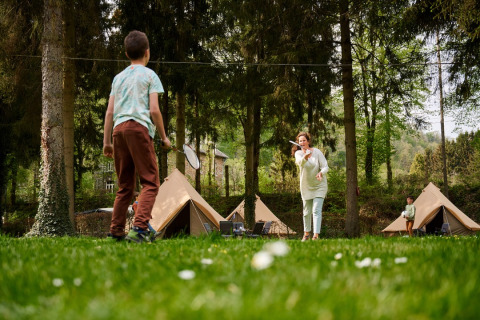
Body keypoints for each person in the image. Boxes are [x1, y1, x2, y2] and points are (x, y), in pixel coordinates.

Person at [103, 30, 171, 243]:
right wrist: (164, 137)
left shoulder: (118, 78)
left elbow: (110, 112)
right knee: (150, 182)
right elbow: (154, 110)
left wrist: (107, 142)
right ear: (147, 53)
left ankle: (115, 232)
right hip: (138, 129)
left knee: (125, 186)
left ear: (126, 54)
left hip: (118, 132)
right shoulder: (150, 75)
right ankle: (140, 229)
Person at [292, 132, 329, 241]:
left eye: (304, 140)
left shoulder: (317, 152)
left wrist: (321, 173)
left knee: (316, 210)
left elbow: (325, 167)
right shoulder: (298, 154)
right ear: (298, 143)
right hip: (306, 186)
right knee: (306, 212)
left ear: (308, 141)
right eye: (300, 141)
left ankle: (315, 236)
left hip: (319, 186)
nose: (302, 142)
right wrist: (305, 157)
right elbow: (301, 163)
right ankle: (306, 234)